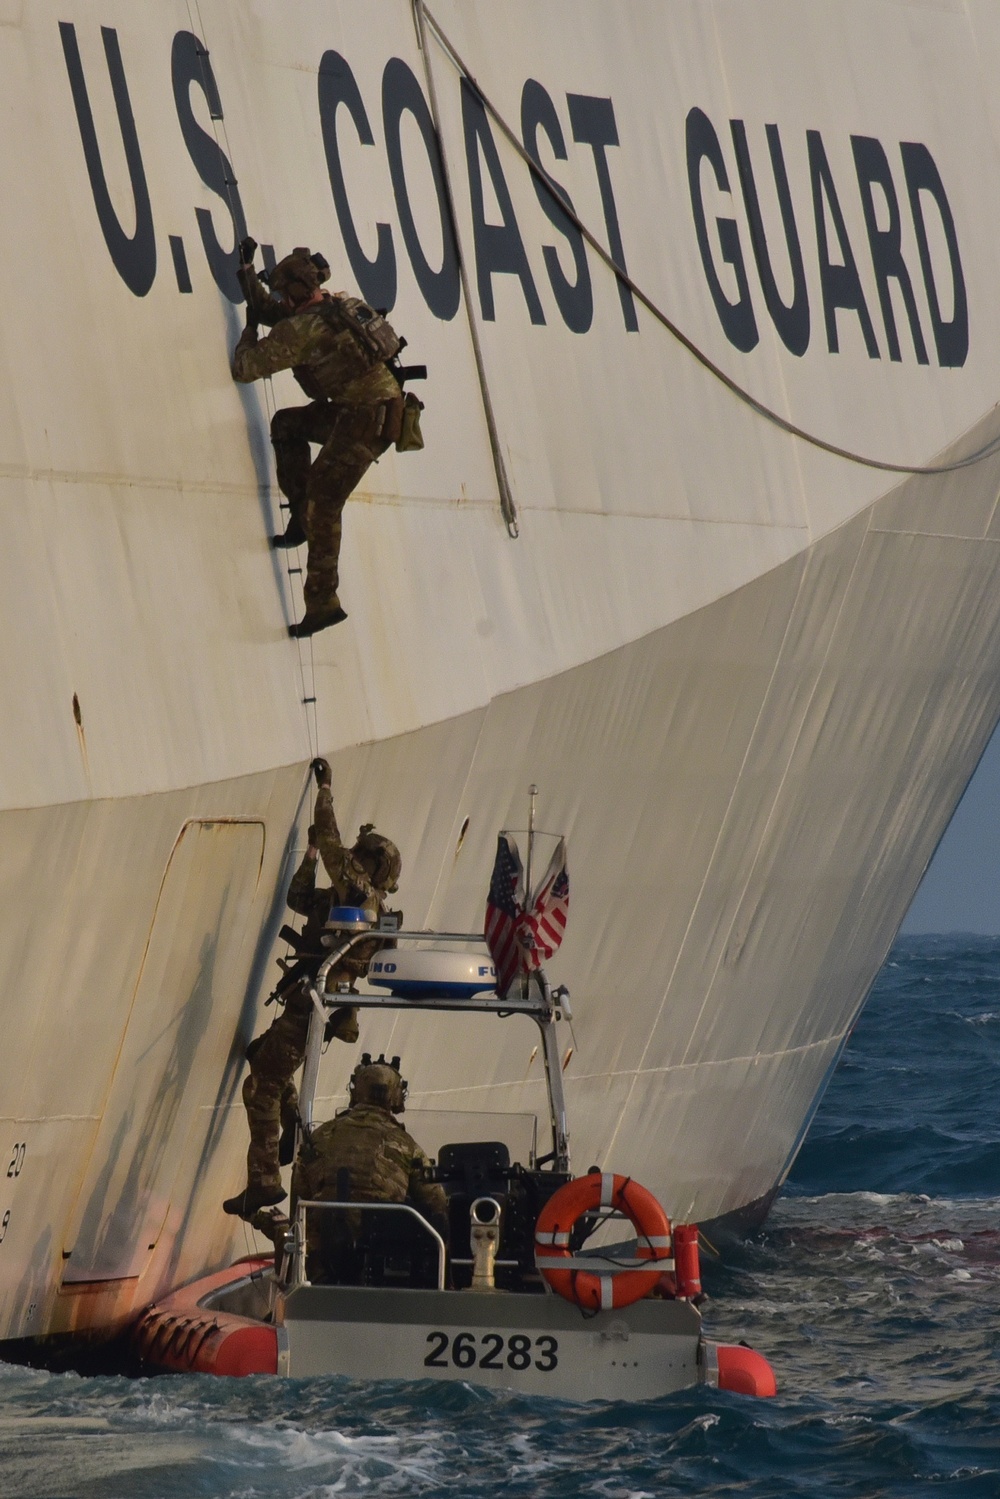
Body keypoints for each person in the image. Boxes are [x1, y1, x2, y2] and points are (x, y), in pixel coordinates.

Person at [223, 758, 402, 1218]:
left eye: (360, 854)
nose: (352, 858)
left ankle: (263, 1180)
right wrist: (306, 856)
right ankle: (285, 1121)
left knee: (259, 1086)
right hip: (312, 1002)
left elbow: (329, 835)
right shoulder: (356, 901)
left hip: (313, 1006)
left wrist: (326, 788)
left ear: (370, 863)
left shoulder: (359, 891)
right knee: (260, 1054)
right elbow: (300, 899)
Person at [232, 241, 404, 637]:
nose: (282, 302)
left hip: (363, 421)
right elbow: (280, 317)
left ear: (294, 292)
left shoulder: (303, 328)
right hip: (367, 411)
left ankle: (323, 602)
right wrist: (248, 277)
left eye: (282, 293)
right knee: (287, 426)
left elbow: (246, 367)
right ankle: (299, 517)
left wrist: (247, 334)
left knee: (324, 507)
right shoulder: (338, 306)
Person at [292, 1056, 449, 1284]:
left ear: (356, 1091)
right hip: (379, 1260)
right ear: (395, 1096)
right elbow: (436, 1203)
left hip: (320, 1255)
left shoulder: (321, 1136)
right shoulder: (407, 1146)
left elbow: (300, 1192)